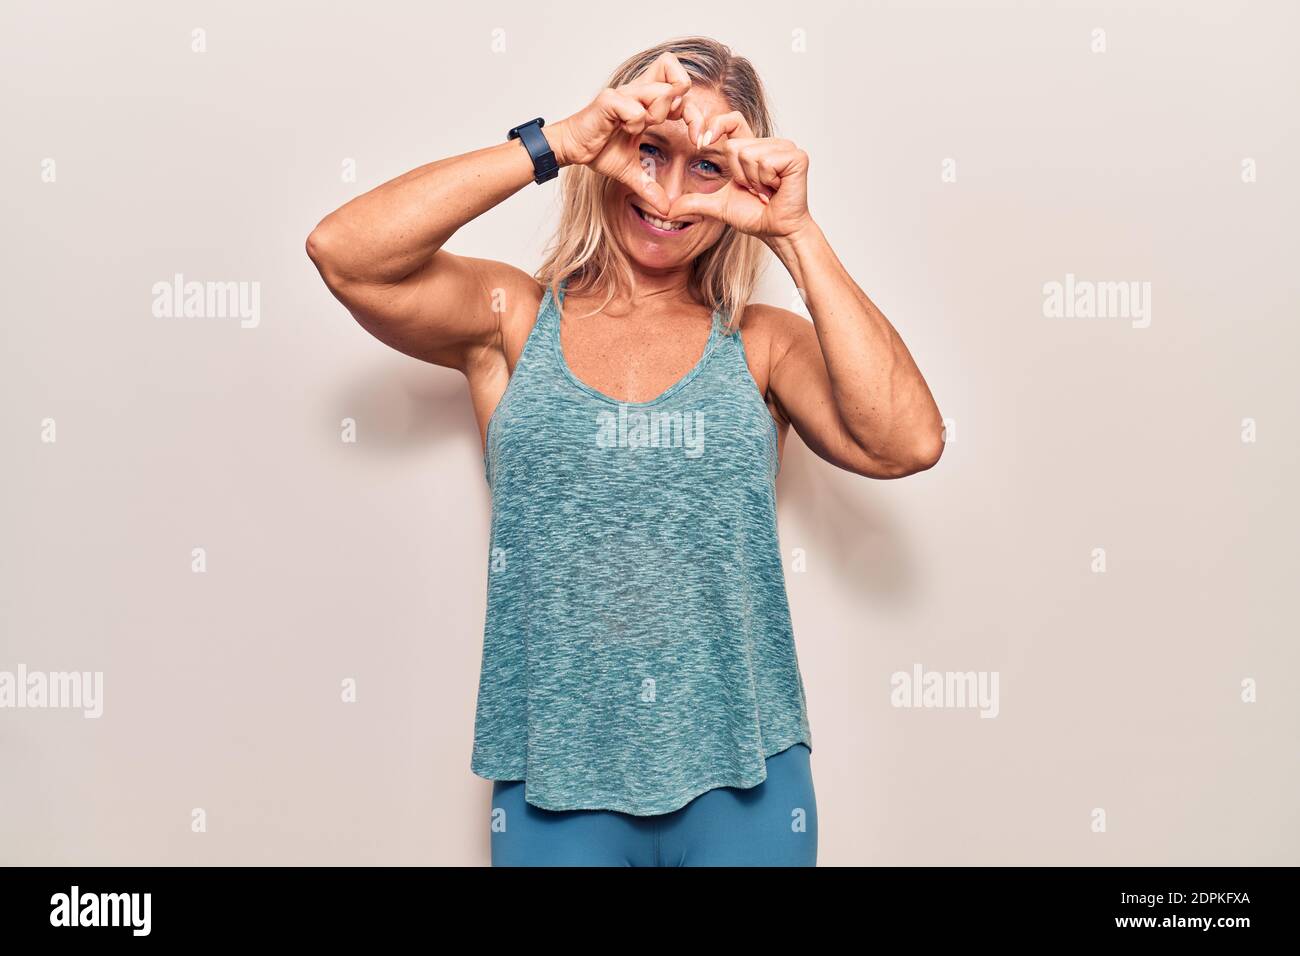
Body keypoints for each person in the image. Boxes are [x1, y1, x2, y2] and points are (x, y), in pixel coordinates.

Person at [306, 36, 944, 866]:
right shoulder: (511, 320)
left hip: (746, 778)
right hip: (553, 782)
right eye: (652, 151)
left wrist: (796, 234)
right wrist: (555, 144)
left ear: (739, 183)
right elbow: (344, 253)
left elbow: (909, 442)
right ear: (615, 146)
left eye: (707, 168)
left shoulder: (760, 345)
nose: (670, 193)